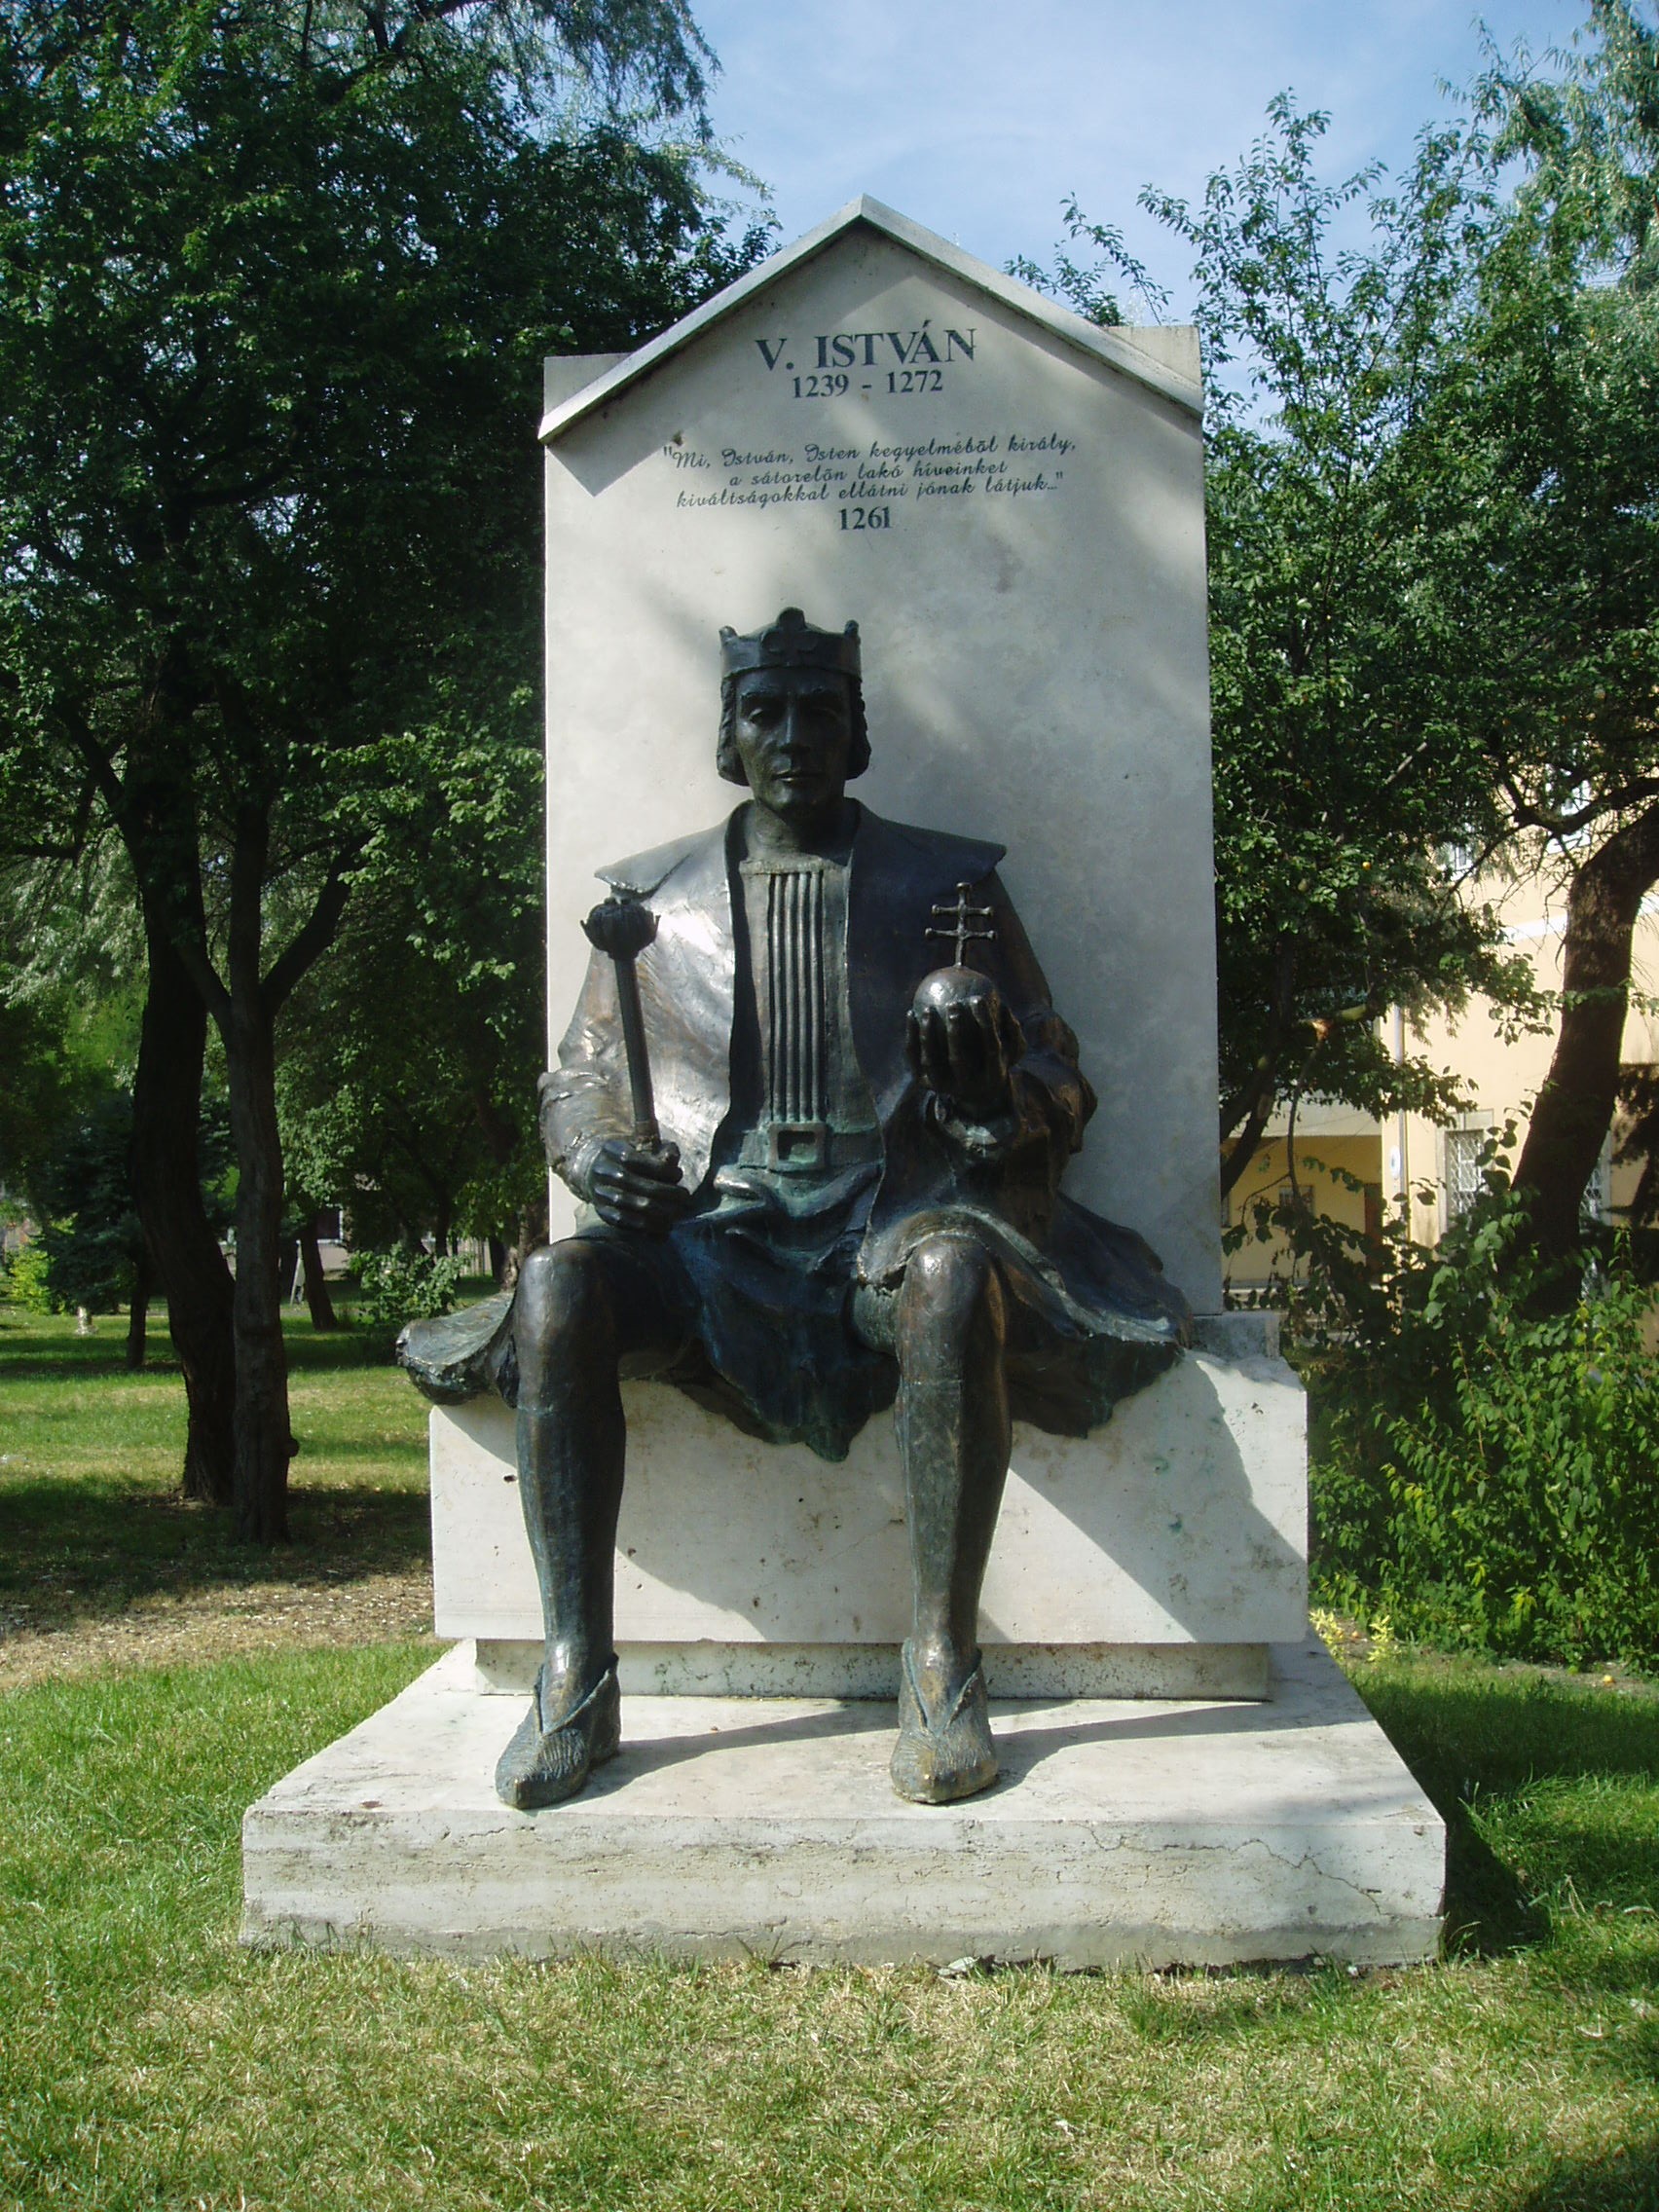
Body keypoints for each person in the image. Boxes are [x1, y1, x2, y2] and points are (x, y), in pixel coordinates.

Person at [402, 608, 1190, 1811]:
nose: (793, 737)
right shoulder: (650, 899)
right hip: (713, 1233)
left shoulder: (951, 886)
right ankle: (575, 1677)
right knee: (555, 1287)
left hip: (890, 1217)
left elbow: (1054, 1066)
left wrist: (994, 1091)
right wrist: (595, 1156)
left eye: (821, 711)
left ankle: (940, 1668)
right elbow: (581, 1075)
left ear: (856, 732)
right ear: (729, 733)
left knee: (951, 1281)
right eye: (765, 711)